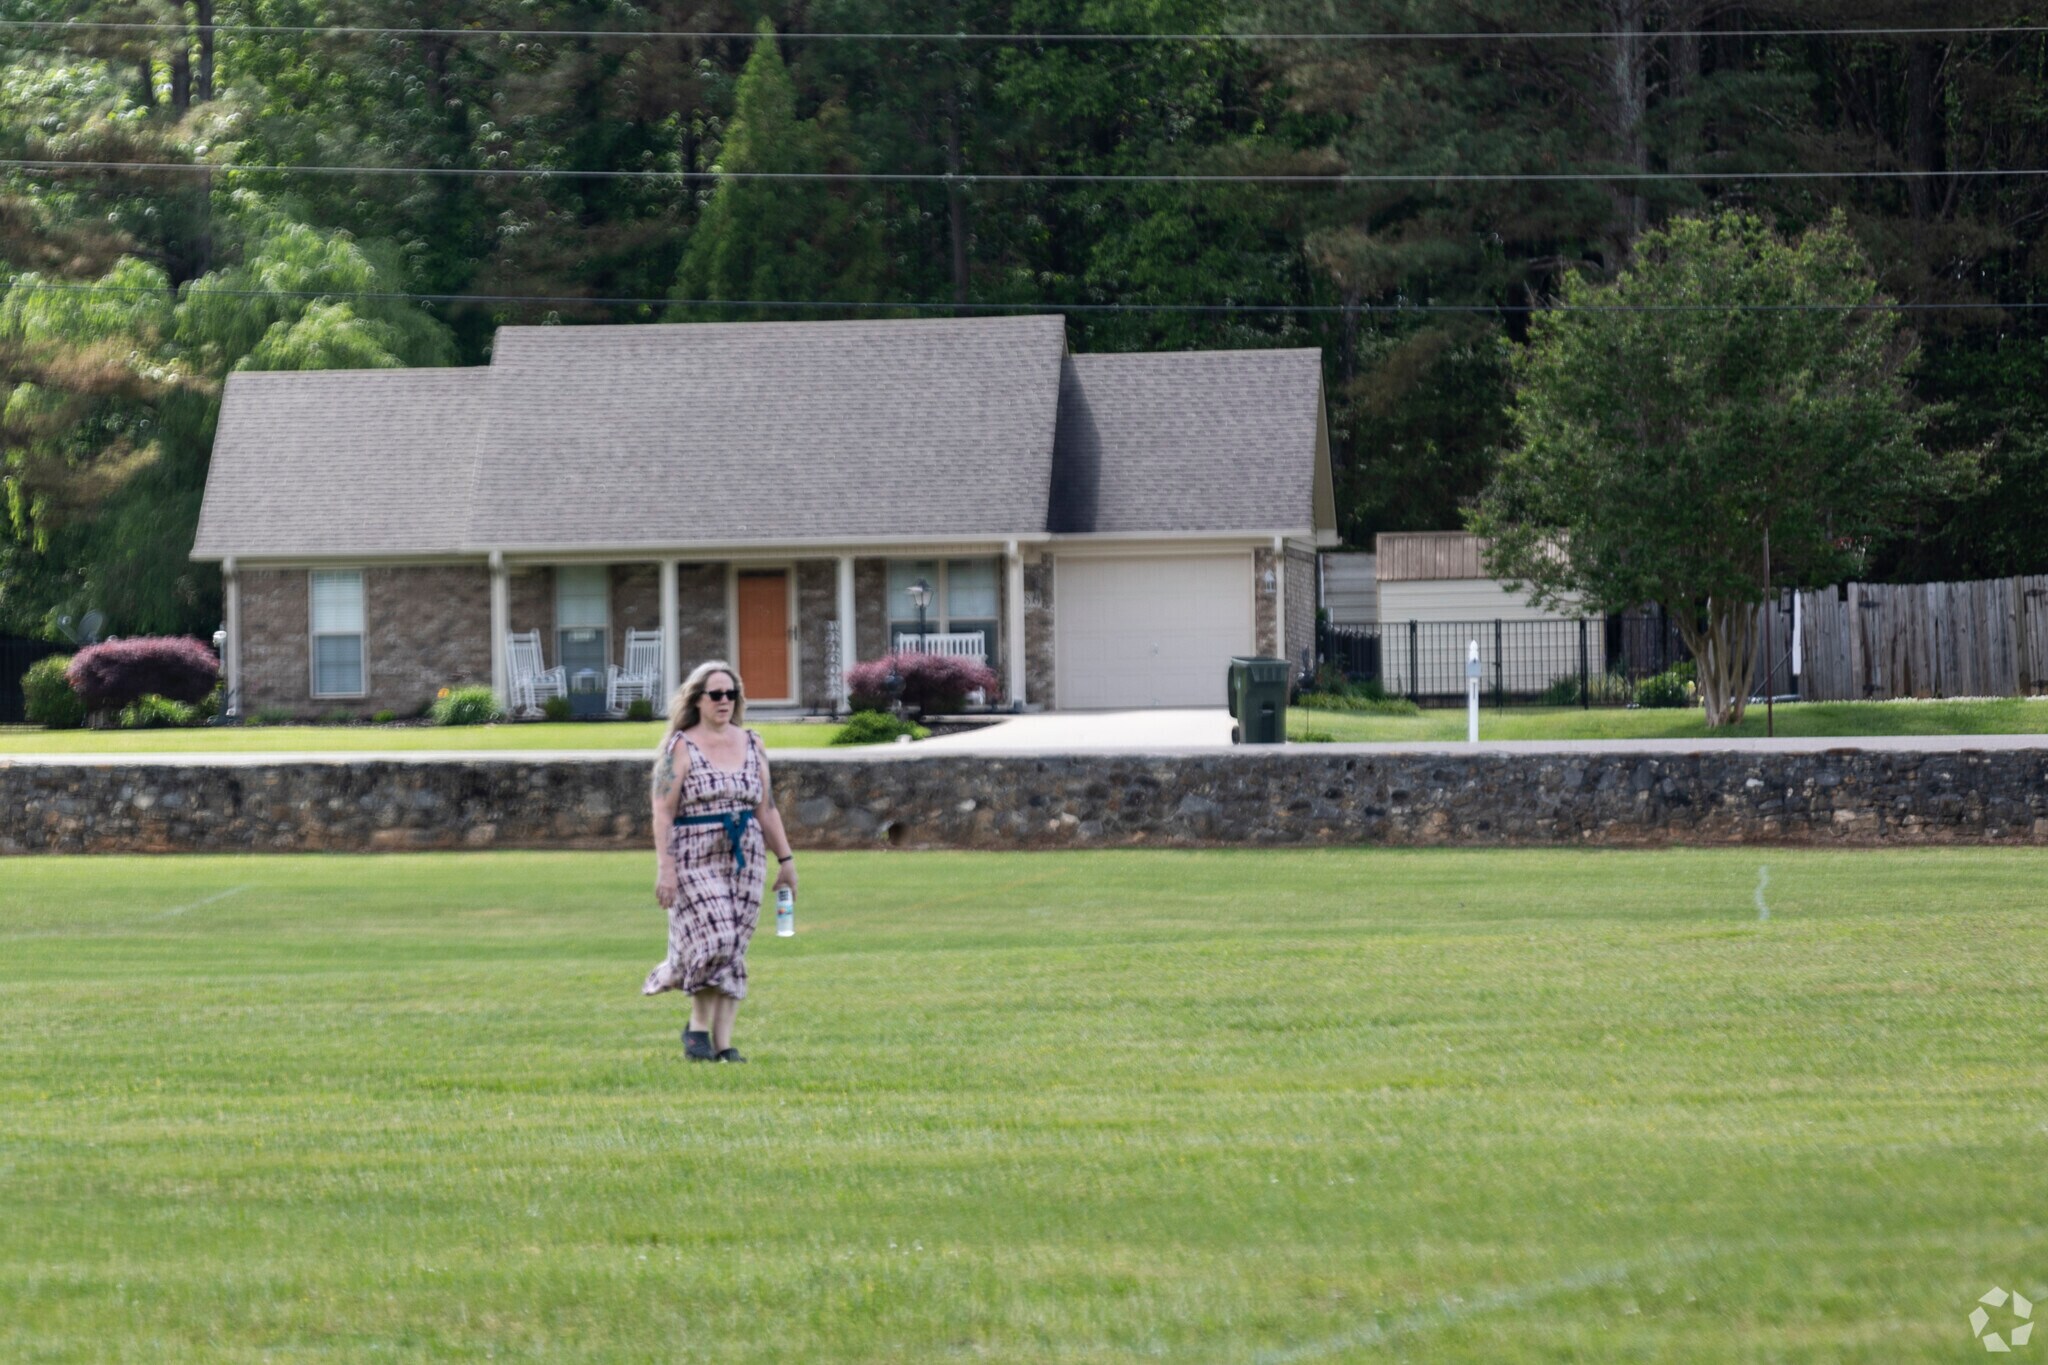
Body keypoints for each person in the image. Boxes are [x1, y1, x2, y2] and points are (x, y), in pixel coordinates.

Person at [641, 660, 797, 1062]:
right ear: (698, 700)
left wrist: (786, 859)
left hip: (745, 856)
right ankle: (696, 1027)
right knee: (717, 938)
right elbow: (662, 811)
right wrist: (666, 868)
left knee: (733, 950)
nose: (725, 701)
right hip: (694, 853)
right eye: (716, 694)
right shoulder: (681, 746)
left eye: (732, 694)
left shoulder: (753, 743)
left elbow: (767, 809)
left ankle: (724, 1046)